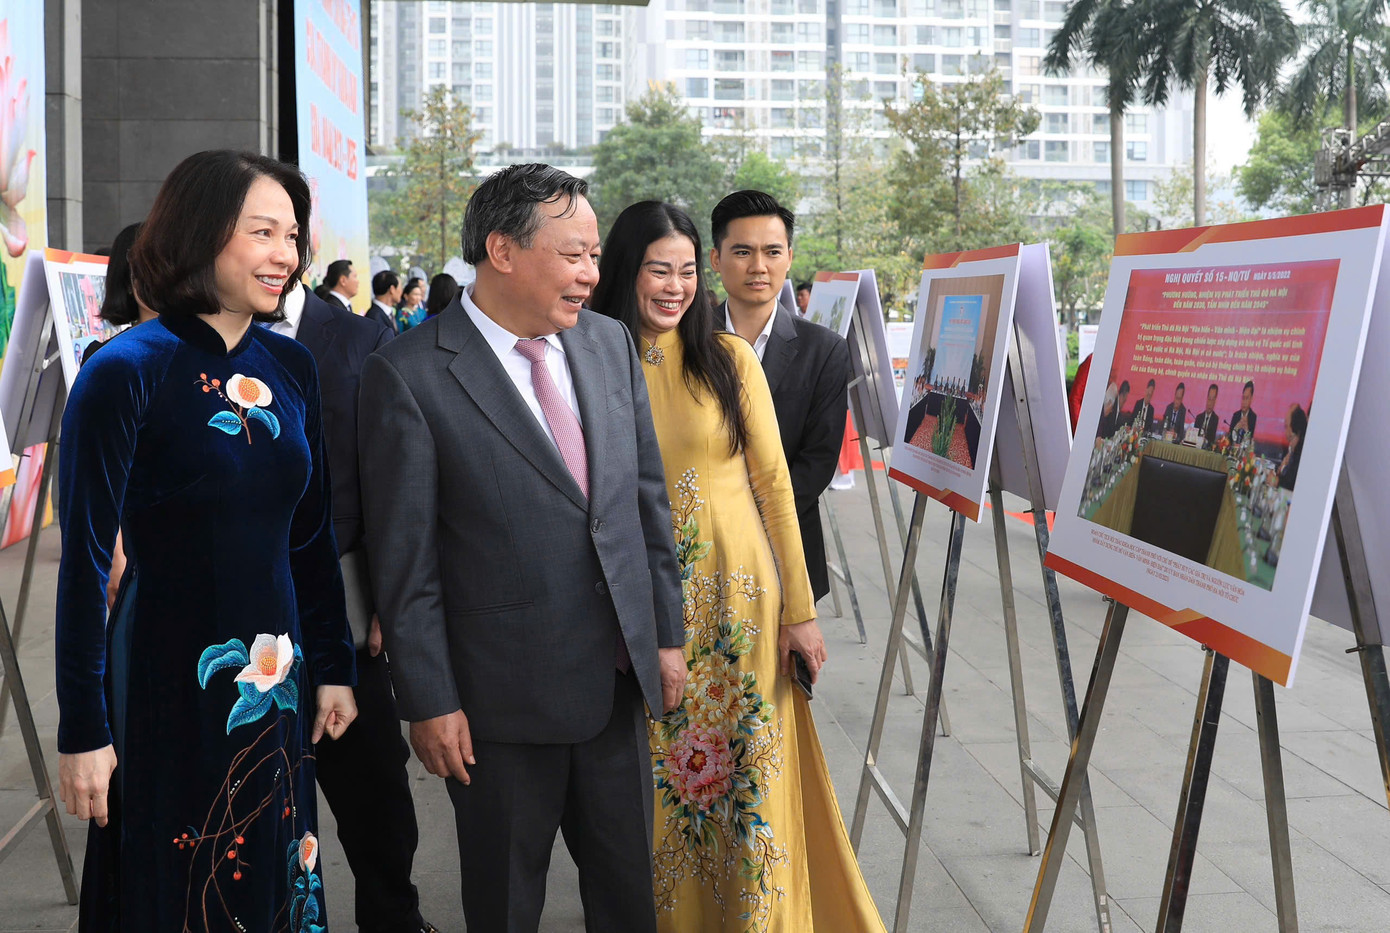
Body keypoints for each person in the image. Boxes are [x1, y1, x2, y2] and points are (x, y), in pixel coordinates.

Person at [357, 164, 686, 933]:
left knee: (630, 900)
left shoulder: (607, 344)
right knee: (506, 907)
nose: (593, 274)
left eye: (596, 255)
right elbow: (406, 565)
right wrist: (430, 700)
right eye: (574, 254)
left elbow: (644, 503)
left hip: (614, 684)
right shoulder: (408, 374)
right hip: (496, 706)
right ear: (502, 251)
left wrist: (665, 634)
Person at [55, 149, 357, 929]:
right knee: (175, 874)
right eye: (263, 232)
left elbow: (311, 532)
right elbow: (85, 563)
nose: (286, 255)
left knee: (271, 869)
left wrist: (334, 666)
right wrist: (84, 727)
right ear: (200, 233)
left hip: (276, 673)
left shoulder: (290, 365)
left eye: (292, 235)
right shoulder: (125, 369)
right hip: (164, 673)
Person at [592, 200, 885, 932]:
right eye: (659, 269)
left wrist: (801, 611)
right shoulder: (589, 361)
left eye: (686, 270)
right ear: (625, 271)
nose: (674, 285)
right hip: (649, 601)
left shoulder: (728, 360)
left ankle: (760, 916)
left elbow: (777, 491)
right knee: (667, 773)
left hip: (739, 596)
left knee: (746, 763)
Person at [272, 281, 436, 933]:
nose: (273, 249)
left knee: (375, 796)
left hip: (345, 604)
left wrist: (388, 594)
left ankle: (394, 917)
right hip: (235, 609)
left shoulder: (361, 337)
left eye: (284, 232)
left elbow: (397, 474)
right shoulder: (194, 340)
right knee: (256, 796)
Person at [710, 190, 850, 604]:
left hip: (787, 551)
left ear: (789, 257)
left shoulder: (823, 349)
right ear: (716, 259)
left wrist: (748, 520)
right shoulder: (687, 341)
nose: (758, 266)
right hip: (700, 547)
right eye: (741, 252)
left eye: (772, 251)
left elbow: (818, 460)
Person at [1275, 404, 1306, 491]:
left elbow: (1289, 484)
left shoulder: (1300, 453)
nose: (1284, 430)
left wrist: (1276, 481)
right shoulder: (1290, 449)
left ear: (1293, 428)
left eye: (1286, 426)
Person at [369, 269, 402, 334]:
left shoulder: (388, 314)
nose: (402, 291)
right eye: (400, 287)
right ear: (392, 289)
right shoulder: (374, 317)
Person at [1230, 380, 1258, 446]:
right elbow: (1229, 439)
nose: (1244, 402)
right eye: (1243, 398)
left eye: (1247, 398)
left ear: (1251, 399)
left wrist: (1246, 429)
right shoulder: (1236, 415)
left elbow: (1250, 443)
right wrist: (1236, 428)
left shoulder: (1253, 417)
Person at [1194, 383, 1221, 448]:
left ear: (1215, 401)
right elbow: (1194, 436)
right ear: (1206, 399)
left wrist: (1205, 441)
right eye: (1209, 399)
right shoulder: (1199, 417)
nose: (1210, 403)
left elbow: (1212, 439)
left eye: (1212, 400)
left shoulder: (1215, 419)